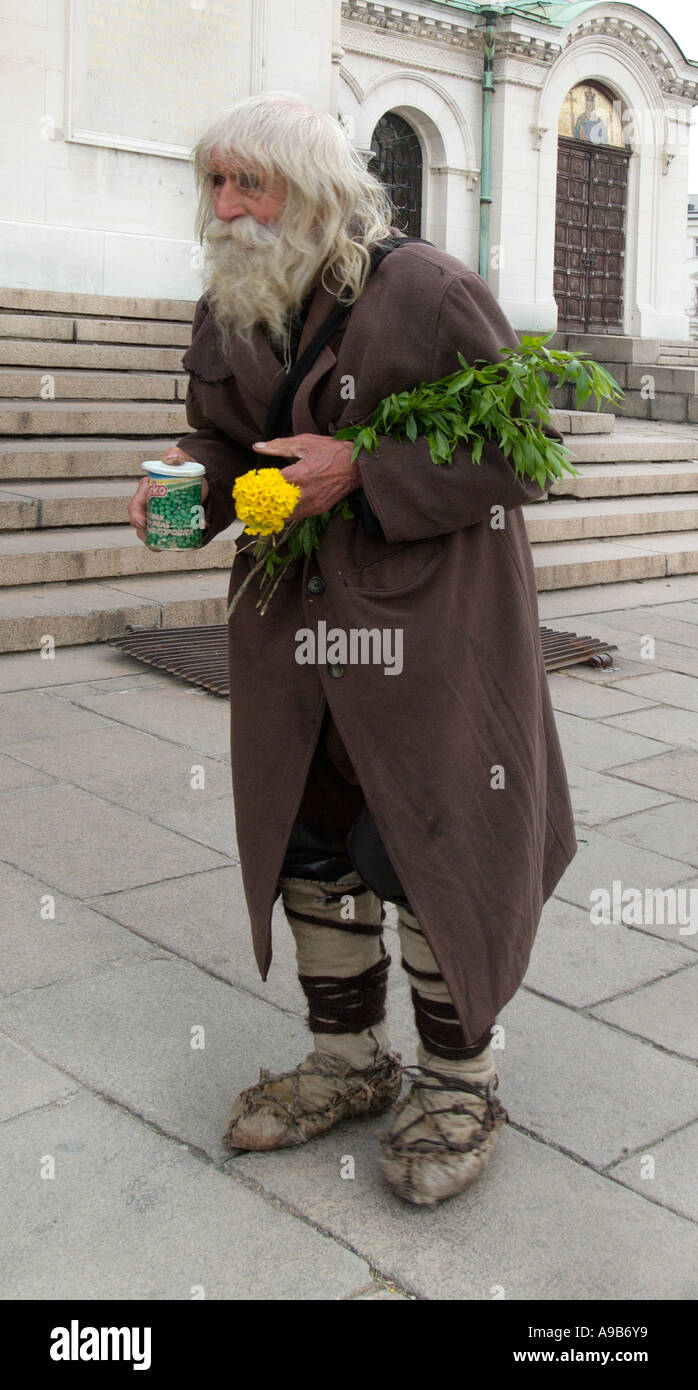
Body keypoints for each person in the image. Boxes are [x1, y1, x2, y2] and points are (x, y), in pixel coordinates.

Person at [128, 92, 578, 1207]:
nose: (227, 209)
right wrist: (184, 480)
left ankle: (459, 1080)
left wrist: (363, 470)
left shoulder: (427, 291)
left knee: (422, 840)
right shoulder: (233, 298)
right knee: (308, 837)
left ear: (317, 190)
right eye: (215, 184)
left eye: (251, 185)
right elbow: (224, 435)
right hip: (292, 628)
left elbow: (528, 447)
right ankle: (347, 1062)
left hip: (427, 630)